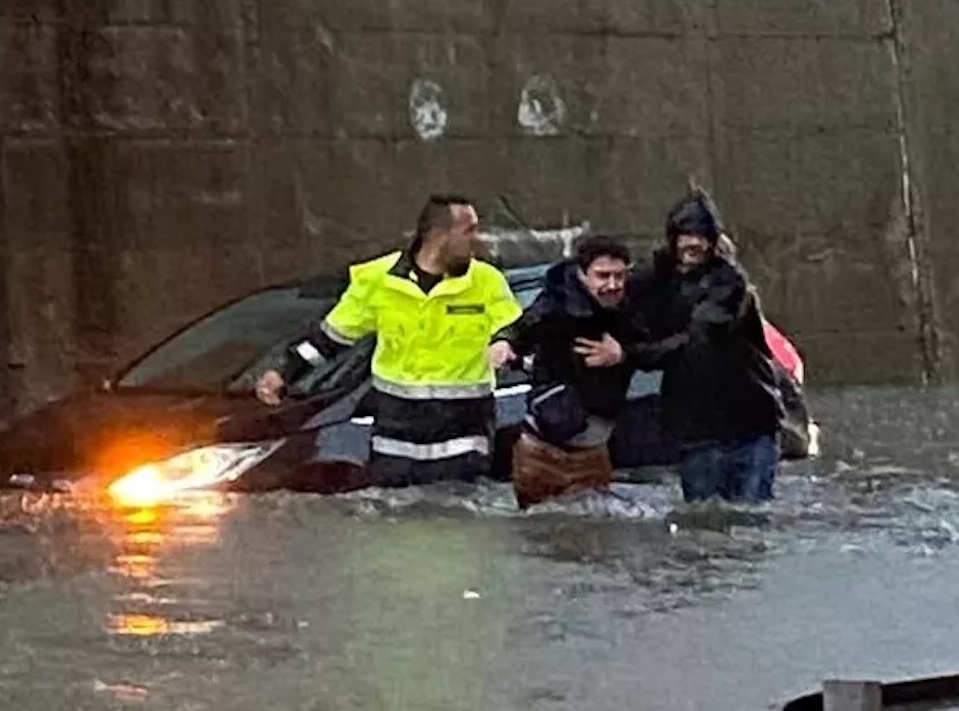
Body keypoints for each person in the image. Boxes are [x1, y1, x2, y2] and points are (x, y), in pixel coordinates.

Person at [255, 194, 523, 488]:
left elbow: (512, 323)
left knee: (457, 522)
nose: (478, 239)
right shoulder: (377, 281)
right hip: (398, 433)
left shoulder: (485, 281)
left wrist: (503, 342)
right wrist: (283, 371)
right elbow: (330, 339)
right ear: (438, 235)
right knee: (394, 520)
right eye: (469, 230)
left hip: (462, 434)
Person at [587, 189, 785, 503]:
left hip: (750, 424)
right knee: (702, 521)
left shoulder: (728, 282)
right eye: (686, 235)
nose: (694, 243)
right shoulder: (653, 277)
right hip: (695, 430)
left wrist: (627, 354)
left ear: (714, 240)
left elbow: (696, 339)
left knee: (749, 520)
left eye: (702, 236)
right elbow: (600, 302)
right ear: (673, 238)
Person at [487, 235, 641, 508]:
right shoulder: (557, 302)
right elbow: (524, 325)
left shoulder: (634, 307)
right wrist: (504, 343)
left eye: (619, 276)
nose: (612, 285)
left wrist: (622, 353)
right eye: (602, 276)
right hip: (541, 451)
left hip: (594, 452)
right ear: (583, 275)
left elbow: (658, 341)